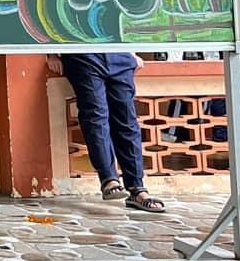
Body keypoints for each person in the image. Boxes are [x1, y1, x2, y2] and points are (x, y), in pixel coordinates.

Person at [46, 53, 166, 213]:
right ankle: (109, 179)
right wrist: (51, 54)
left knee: (128, 122)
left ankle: (137, 189)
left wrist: (132, 53)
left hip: (119, 57)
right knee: (96, 116)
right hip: (84, 56)